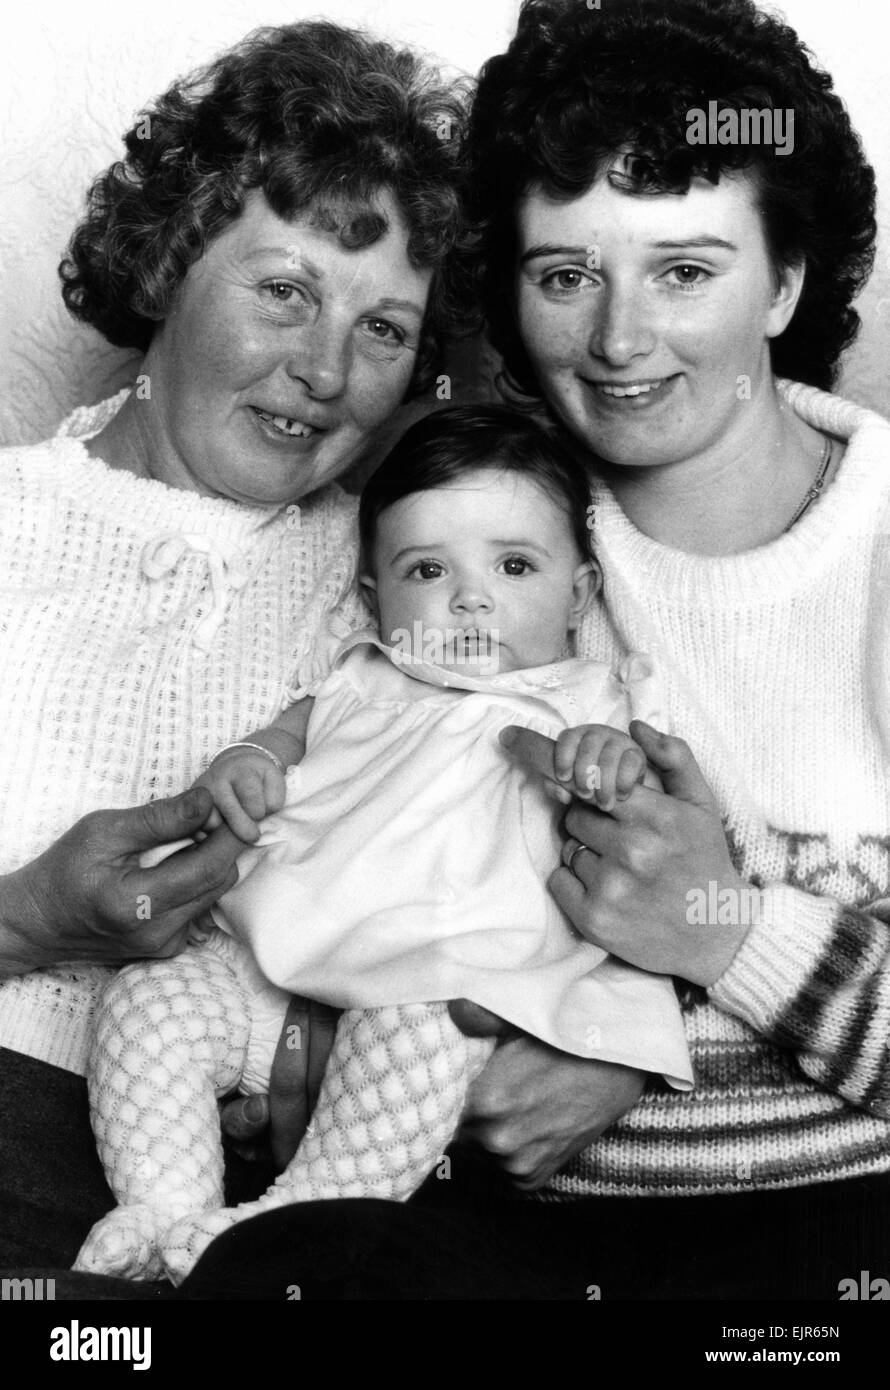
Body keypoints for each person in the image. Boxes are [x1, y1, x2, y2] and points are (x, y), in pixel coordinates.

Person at [167, 0, 890, 1300]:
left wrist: (715, 943)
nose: (616, 340)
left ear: (784, 281)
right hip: (489, 1245)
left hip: (834, 1244)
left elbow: (689, 931)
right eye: (565, 275)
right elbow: (318, 905)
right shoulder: (464, 545)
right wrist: (342, 1055)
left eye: (684, 268)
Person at [0, 18, 474, 1271]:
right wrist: (28, 919)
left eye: (383, 330)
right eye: (285, 291)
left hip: (269, 1213)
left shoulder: (412, 586)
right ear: (163, 264)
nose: (323, 369)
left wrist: (334, 1062)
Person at [74, 404, 694, 1285]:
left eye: (514, 565)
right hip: (258, 966)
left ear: (581, 593)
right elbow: (280, 742)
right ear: (375, 600)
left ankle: (285, 1225)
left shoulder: (588, 701)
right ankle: (161, 1210)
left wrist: (608, 763)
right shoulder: (362, 678)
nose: (470, 597)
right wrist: (248, 762)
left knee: (420, 1045)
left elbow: (642, 825)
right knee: (147, 1002)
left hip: (431, 986)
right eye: (427, 569)